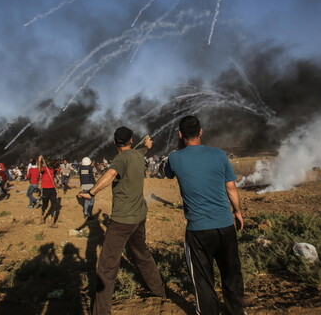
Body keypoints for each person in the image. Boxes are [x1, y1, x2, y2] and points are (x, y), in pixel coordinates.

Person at [78, 126, 165, 315]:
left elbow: (109, 175)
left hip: (122, 220)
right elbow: (142, 150)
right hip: (139, 217)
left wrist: (90, 193)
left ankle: (101, 312)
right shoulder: (137, 155)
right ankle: (159, 291)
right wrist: (147, 146)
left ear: (114, 142)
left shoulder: (120, 159)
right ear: (131, 141)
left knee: (107, 266)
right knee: (143, 255)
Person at [165, 115, 245, 315]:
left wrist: (179, 144)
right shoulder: (219, 155)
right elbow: (231, 188)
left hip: (198, 230)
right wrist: (237, 211)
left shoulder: (174, 157)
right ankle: (236, 311)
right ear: (201, 132)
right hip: (225, 226)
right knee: (231, 273)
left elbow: (167, 173)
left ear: (180, 134)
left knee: (203, 279)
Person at [38, 156, 59, 227]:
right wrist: (39, 161)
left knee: (54, 205)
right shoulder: (44, 169)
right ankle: (42, 217)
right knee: (45, 205)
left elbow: (52, 179)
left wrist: (56, 187)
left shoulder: (52, 169)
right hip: (45, 189)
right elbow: (39, 170)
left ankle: (52, 222)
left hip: (52, 189)